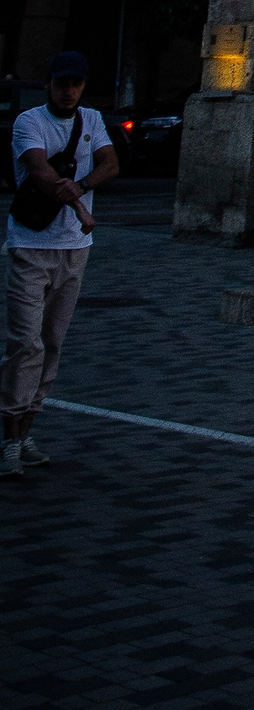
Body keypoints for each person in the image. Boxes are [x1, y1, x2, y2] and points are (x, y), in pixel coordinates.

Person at [4, 48, 118, 478]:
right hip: (32, 245)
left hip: (75, 248)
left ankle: (26, 432)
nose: (68, 91)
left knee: (52, 342)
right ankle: (9, 437)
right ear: (48, 84)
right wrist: (77, 201)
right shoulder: (29, 121)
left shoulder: (91, 119)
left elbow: (111, 162)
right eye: (62, 84)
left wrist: (84, 184)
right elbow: (39, 171)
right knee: (25, 342)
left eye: (76, 84)